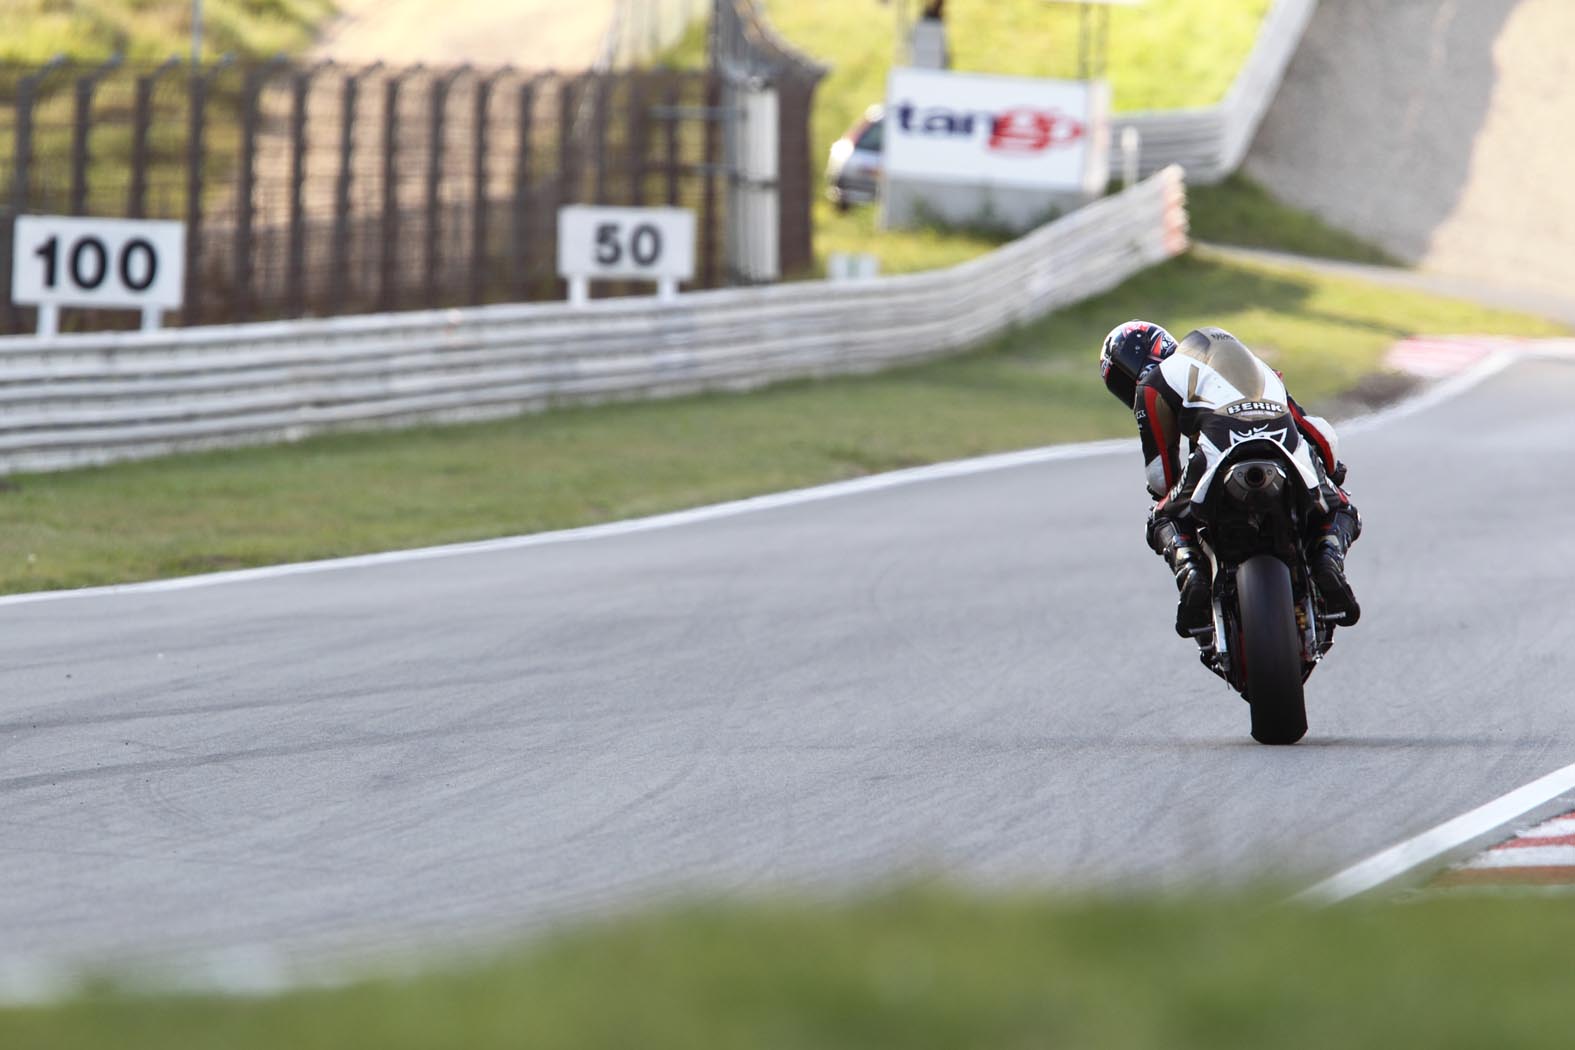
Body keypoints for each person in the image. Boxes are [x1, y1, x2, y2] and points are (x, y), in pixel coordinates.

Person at [1098, 321, 1362, 636]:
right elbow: (1313, 430)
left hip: (1218, 449)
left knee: (1161, 519)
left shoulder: (1154, 382)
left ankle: (1191, 572)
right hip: (1284, 443)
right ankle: (1327, 558)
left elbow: (1160, 478)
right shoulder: (1254, 365)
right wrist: (1331, 473)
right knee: (1342, 508)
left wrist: (1170, 496)